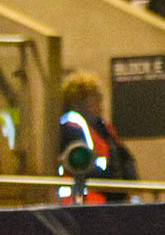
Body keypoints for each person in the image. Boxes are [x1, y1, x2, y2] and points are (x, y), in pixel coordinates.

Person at [56, 68, 138, 202]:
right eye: (95, 97)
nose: (101, 103)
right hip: (84, 202)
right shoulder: (71, 125)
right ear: (79, 100)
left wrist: (127, 187)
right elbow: (83, 166)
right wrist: (114, 189)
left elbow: (124, 158)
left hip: (108, 200)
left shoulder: (103, 127)